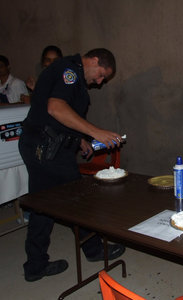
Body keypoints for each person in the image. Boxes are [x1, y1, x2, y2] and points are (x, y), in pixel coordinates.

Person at [19, 48, 125, 282]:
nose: (99, 82)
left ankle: (35, 265)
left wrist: (79, 140)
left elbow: (57, 117)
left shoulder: (69, 72)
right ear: (94, 60)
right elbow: (55, 108)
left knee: (45, 205)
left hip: (47, 146)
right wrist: (96, 132)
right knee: (77, 199)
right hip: (46, 149)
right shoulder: (70, 71)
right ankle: (93, 250)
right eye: (100, 75)